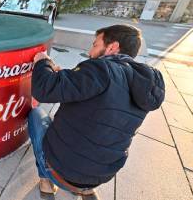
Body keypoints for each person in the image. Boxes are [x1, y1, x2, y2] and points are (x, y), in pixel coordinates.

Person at [28, 24, 165, 200]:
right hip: (101, 177)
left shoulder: (100, 68)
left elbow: (43, 90)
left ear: (112, 47)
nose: (90, 52)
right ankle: (85, 190)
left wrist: (42, 61)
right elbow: (103, 95)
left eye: (95, 45)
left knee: (35, 114)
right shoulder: (146, 84)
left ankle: (46, 180)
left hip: (61, 171)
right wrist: (66, 78)